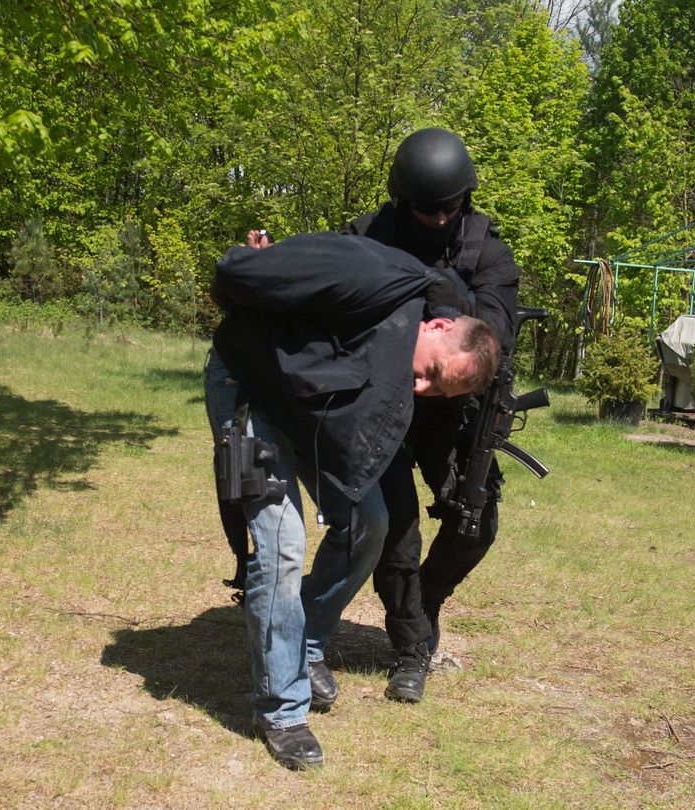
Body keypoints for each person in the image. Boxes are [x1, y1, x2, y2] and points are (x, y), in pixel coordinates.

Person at [205, 232, 500, 770]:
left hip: (305, 411)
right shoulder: (370, 275)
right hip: (246, 387)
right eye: (431, 372)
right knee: (282, 545)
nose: (420, 388)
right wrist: (262, 264)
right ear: (436, 328)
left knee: (371, 523)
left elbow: (446, 290)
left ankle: (305, 643)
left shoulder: (419, 322)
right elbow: (236, 275)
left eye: (437, 392)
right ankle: (283, 710)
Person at [319, 127, 521, 705]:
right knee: (397, 534)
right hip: (380, 400)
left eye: (449, 206)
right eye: (425, 208)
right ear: (403, 200)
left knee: (473, 524)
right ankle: (412, 647)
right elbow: (325, 292)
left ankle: (426, 598)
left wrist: (434, 288)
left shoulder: (488, 252)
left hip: (453, 409)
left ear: (466, 198)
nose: (437, 218)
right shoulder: (368, 235)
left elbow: (493, 337)